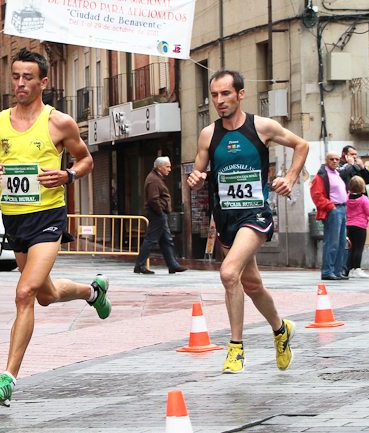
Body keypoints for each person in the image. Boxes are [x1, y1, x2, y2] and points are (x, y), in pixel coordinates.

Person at [0, 48, 110, 407]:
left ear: (43, 82)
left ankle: (7, 380)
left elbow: (86, 159)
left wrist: (67, 175)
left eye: (28, 77)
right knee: (44, 295)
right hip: (14, 219)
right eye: (16, 76)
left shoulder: (59, 123)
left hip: (48, 218)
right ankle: (93, 292)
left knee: (24, 293)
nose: (20, 83)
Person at [187, 69, 308, 374]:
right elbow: (198, 174)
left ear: (240, 94)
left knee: (229, 273)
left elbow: (301, 145)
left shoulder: (261, 126)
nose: (219, 100)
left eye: (225, 93)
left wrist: (290, 178)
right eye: (214, 95)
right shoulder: (208, 134)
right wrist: (195, 179)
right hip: (225, 218)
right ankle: (281, 329)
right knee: (251, 284)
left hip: (255, 215)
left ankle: (236, 348)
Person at [134, 156, 187, 274]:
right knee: (151, 239)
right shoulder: (153, 179)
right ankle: (140, 265)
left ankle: (172, 265)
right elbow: (153, 199)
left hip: (159, 213)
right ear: (159, 167)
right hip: (157, 213)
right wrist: (160, 212)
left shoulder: (156, 178)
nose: (169, 169)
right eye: (167, 167)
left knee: (166, 240)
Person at [310, 151, 349, 281]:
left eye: (337, 159)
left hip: (342, 208)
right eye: (332, 159)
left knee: (341, 242)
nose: (335, 161)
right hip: (333, 210)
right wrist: (330, 207)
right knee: (332, 241)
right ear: (326, 160)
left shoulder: (337, 173)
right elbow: (316, 195)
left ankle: (337, 270)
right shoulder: (321, 176)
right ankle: (328, 271)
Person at [346, 176, 369, 278]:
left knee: (352, 248)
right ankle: (357, 269)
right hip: (360, 226)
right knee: (359, 248)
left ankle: (351, 269)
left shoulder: (347, 197)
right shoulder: (364, 199)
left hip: (349, 225)